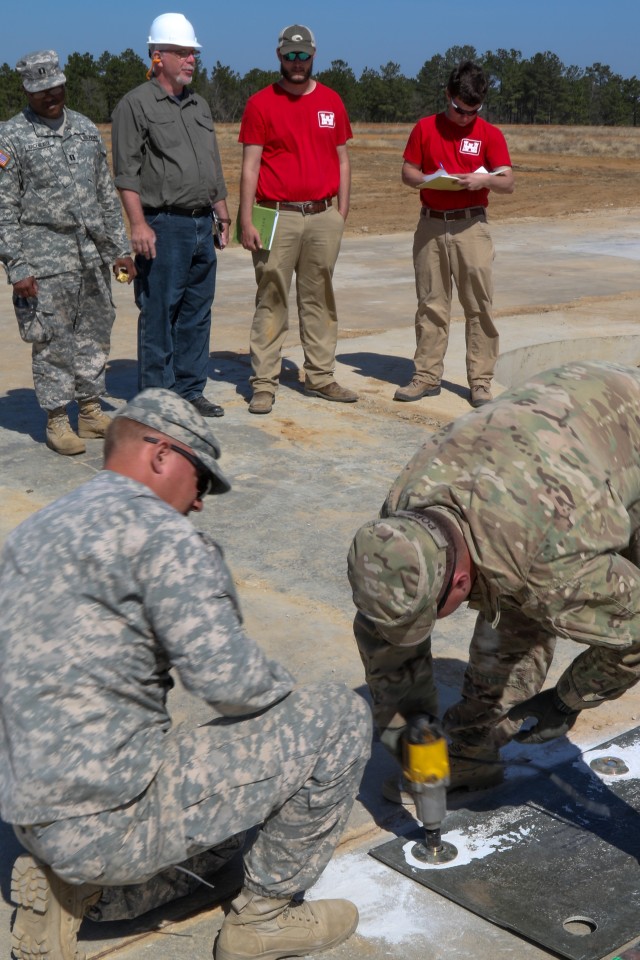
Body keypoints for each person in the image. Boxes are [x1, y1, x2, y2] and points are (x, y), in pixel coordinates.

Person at [0, 388, 371, 960]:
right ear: (160, 454)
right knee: (336, 717)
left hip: (35, 814)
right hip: (111, 816)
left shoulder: (33, 533)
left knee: (224, 846)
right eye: (200, 481)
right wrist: (289, 710)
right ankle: (263, 921)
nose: (199, 503)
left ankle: (74, 889)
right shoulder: (163, 536)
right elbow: (231, 682)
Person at [347, 360, 640, 802]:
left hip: (620, 426)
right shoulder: (400, 519)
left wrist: (567, 699)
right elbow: (385, 635)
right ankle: (470, 751)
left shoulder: (551, 558)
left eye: (432, 615)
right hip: (562, 427)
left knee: (533, 592)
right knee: (513, 593)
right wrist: (413, 727)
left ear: (461, 580)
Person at [0, 50, 135, 456]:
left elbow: (105, 195)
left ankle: (91, 410)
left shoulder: (85, 129)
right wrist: (17, 265)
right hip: (43, 259)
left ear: (63, 82)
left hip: (90, 255)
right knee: (54, 341)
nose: (49, 96)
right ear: (27, 90)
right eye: (40, 91)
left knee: (95, 332)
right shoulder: (11, 137)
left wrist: (120, 250)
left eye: (54, 87)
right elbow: (3, 208)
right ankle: (58, 418)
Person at [112, 13, 230, 418]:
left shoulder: (199, 104)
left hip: (202, 224)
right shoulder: (135, 104)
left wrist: (222, 213)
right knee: (160, 313)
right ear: (157, 55)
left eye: (193, 52)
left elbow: (211, 165)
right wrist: (138, 225)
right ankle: (158, 399)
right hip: (163, 225)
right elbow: (126, 173)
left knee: (197, 311)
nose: (191, 60)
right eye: (182, 52)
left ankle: (190, 389)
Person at [238, 24, 357, 415]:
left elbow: (342, 159)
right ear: (278, 56)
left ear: (313, 56)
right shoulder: (260, 104)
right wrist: (246, 218)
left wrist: (341, 211)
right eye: (289, 55)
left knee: (319, 296)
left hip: (323, 215)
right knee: (271, 296)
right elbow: (250, 166)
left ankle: (321, 376)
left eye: (302, 56)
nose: (296, 62)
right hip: (275, 215)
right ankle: (264, 383)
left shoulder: (332, 102)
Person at [395, 60, 514, 410]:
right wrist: (428, 179)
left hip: (471, 226)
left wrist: (485, 179)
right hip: (431, 224)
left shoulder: (490, 134)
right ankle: (426, 376)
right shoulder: (424, 128)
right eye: (459, 110)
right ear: (448, 95)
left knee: (479, 305)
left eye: (473, 111)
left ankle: (480, 381)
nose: (465, 118)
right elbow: (407, 172)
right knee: (431, 303)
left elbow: (508, 182)